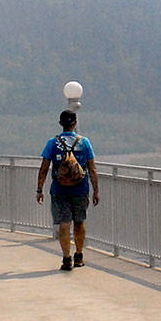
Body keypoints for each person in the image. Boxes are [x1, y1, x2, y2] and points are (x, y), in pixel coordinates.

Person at [36, 109, 99, 271]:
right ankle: (79, 255)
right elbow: (92, 169)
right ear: (75, 123)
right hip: (81, 189)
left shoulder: (52, 143)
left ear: (60, 124)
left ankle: (66, 258)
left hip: (59, 190)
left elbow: (43, 168)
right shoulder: (84, 142)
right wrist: (96, 191)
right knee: (79, 222)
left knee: (64, 224)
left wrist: (39, 189)